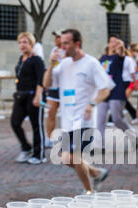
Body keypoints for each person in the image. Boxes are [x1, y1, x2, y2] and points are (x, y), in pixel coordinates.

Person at [43, 29, 112, 194]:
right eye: (61, 43)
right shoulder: (63, 64)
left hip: (84, 120)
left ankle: (89, 191)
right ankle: (96, 173)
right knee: (66, 159)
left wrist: (91, 103)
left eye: (66, 43)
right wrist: (51, 65)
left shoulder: (91, 63)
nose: (62, 46)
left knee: (75, 156)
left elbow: (105, 89)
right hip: (67, 121)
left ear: (77, 44)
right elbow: (46, 84)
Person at [11, 32, 46, 164]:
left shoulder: (36, 60)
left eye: (25, 42)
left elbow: (40, 79)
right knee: (15, 122)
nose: (22, 45)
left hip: (33, 95)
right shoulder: (21, 59)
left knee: (36, 125)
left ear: (31, 44)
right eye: (20, 42)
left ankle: (39, 154)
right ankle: (26, 147)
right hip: (21, 95)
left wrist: (38, 96)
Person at [97, 37, 135, 149]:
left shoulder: (119, 57)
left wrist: (121, 48)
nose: (114, 43)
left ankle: (133, 137)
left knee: (116, 119)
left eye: (116, 42)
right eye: (112, 41)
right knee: (100, 119)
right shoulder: (103, 58)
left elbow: (122, 54)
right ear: (108, 44)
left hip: (116, 91)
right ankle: (100, 146)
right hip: (104, 91)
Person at [45, 30, 64, 149]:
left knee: (67, 115)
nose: (56, 39)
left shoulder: (67, 52)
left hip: (65, 87)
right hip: (53, 86)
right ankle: (49, 138)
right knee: (51, 112)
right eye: (55, 37)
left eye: (58, 37)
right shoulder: (54, 50)